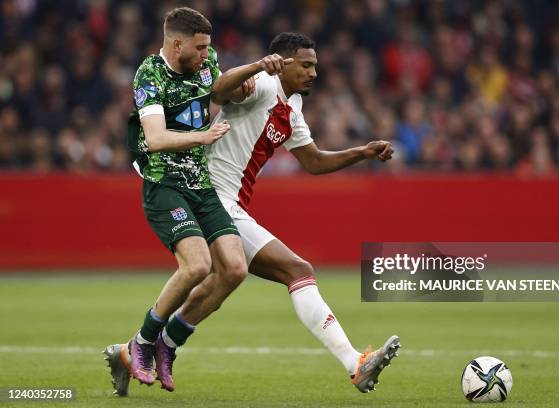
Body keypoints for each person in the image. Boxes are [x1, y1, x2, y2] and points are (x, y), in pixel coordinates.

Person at [106, 31, 399, 396]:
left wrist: (362, 152)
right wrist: (258, 66)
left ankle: (138, 349)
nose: (313, 73)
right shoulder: (261, 84)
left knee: (228, 274)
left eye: (315, 66)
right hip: (210, 193)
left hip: (229, 203)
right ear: (283, 64)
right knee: (296, 270)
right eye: (306, 65)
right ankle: (354, 363)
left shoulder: (292, 109)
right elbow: (219, 90)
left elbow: (313, 160)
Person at [103, 7, 289, 395]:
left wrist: (249, 76)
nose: (207, 54)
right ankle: (140, 342)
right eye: (200, 48)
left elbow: (219, 87)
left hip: (200, 183)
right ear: (176, 44)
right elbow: (154, 139)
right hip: (163, 182)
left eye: (209, 48)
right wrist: (202, 137)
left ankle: (166, 345)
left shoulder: (207, 61)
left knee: (235, 269)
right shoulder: (149, 74)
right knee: (197, 266)